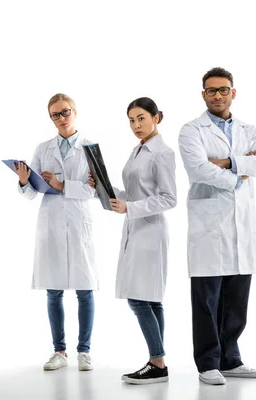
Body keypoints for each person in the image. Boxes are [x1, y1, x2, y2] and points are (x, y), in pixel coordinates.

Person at [178, 67, 256, 385]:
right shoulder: (191, 131)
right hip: (209, 226)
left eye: (223, 90)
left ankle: (231, 359)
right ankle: (208, 362)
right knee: (207, 299)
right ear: (203, 94)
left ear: (234, 92)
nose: (217, 95)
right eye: (211, 90)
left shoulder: (249, 129)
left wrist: (229, 161)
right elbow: (199, 170)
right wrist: (241, 172)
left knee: (236, 298)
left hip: (241, 225)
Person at [88, 97, 177, 383]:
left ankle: (158, 362)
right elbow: (133, 194)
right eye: (131, 120)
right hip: (135, 228)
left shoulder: (161, 153)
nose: (136, 125)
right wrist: (104, 188)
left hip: (150, 232)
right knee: (150, 300)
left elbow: (169, 198)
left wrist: (131, 208)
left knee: (140, 300)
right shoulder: (137, 150)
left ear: (156, 118)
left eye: (141, 118)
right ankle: (158, 362)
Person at [14, 93, 97, 371]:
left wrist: (63, 186)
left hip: (78, 223)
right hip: (50, 223)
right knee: (54, 291)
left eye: (65, 112)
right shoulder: (43, 148)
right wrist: (25, 181)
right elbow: (31, 193)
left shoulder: (90, 148)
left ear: (75, 111)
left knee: (84, 290)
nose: (61, 119)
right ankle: (59, 351)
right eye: (55, 115)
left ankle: (84, 351)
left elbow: (95, 190)